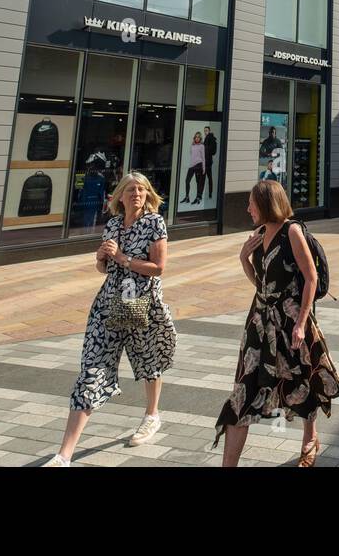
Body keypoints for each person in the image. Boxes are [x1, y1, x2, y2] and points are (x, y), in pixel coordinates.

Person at [45, 172, 176, 466]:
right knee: (91, 370)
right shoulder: (113, 224)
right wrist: (101, 259)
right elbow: (103, 269)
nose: (137, 194)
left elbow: (158, 267)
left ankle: (152, 415)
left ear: (148, 194)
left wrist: (121, 259)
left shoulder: (154, 222)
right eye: (130, 189)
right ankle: (64, 455)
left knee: (148, 361)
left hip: (141, 304)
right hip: (107, 305)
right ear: (119, 196)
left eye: (142, 189)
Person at [214, 180, 339, 466]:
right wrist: (243, 259)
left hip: (291, 321)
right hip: (259, 322)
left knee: (299, 378)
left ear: (265, 203)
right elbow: (262, 285)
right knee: (244, 390)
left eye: (251, 203)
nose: (248, 208)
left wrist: (301, 323)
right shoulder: (259, 233)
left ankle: (310, 437)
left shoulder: (292, 231)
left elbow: (310, 278)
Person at [182, 132, 206, 204]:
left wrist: (204, 168)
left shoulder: (202, 146)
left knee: (198, 182)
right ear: (194, 138)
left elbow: (203, 157)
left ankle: (198, 197)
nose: (197, 138)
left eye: (198, 137)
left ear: (200, 138)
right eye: (196, 137)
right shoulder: (192, 146)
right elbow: (191, 156)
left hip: (199, 165)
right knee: (187, 181)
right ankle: (187, 197)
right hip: (192, 166)